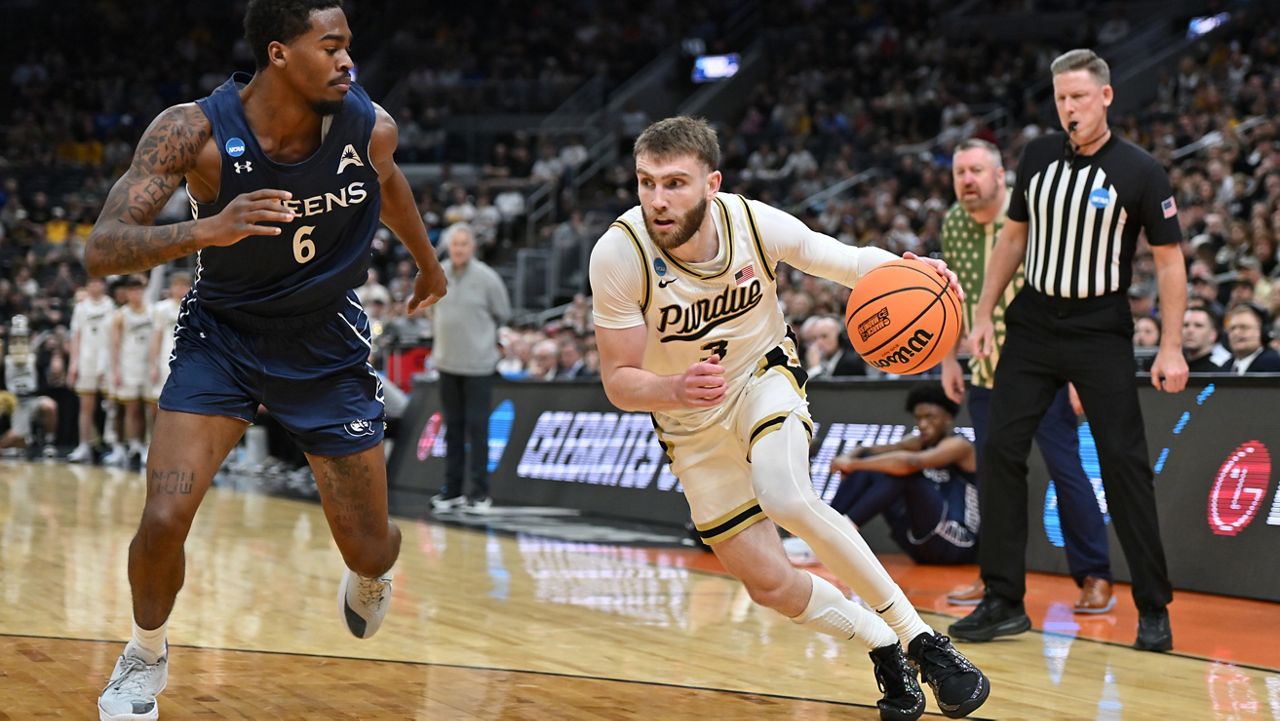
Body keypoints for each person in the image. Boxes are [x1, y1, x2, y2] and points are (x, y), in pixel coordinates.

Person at [85, 2, 448, 718]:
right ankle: (143, 656)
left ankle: (372, 574)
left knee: (371, 547)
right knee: (163, 516)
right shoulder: (192, 131)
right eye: (332, 47)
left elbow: (390, 181)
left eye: (350, 48)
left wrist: (427, 264)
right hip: (222, 337)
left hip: (325, 344)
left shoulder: (366, 126)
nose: (349, 62)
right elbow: (102, 247)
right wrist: (209, 228)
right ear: (279, 53)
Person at [591, 116, 989, 721]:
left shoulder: (754, 222)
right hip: (688, 423)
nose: (657, 200)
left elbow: (850, 262)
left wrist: (919, 271)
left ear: (712, 184)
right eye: (646, 183)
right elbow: (619, 381)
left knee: (785, 493)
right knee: (769, 584)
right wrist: (673, 386)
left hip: (760, 378)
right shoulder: (619, 254)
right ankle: (882, 647)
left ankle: (923, 641)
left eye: (675, 183)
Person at [952, 49, 1186, 653]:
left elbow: (1169, 261)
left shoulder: (1141, 171)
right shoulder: (1035, 156)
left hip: (1099, 327)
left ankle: (1154, 608)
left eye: (1079, 97)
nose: (1069, 108)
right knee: (999, 447)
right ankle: (1004, 600)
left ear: (1106, 97)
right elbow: (1013, 237)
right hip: (1031, 323)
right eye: (1061, 98)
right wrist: (982, 313)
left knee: (1123, 462)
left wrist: (1172, 347)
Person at [939, 138, 1114, 613]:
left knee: (1066, 469)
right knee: (994, 479)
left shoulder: (1033, 213)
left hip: (1046, 368)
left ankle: (1095, 575)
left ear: (1001, 175)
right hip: (987, 373)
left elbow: (1070, 287)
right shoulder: (954, 222)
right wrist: (949, 358)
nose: (968, 180)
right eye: (960, 172)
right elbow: (951, 296)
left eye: (977, 170)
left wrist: (1078, 369)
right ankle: (995, 579)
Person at [826, 384, 979, 565]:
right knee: (876, 464)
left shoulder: (959, 445)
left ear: (948, 418)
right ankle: (824, 527)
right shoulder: (916, 442)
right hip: (920, 543)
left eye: (930, 417)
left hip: (958, 543)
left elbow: (910, 463)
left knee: (905, 474)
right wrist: (849, 458)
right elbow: (867, 451)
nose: (922, 424)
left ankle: (840, 533)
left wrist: (852, 464)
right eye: (918, 418)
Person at [427, 222, 511, 513]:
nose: (459, 249)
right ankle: (451, 492)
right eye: (455, 244)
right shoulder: (437, 274)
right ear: (449, 246)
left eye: (464, 244)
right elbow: (430, 310)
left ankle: (479, 493)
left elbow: (503, 313)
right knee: (452, 430)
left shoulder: (488, 279)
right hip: (447, 364)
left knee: (477, 430)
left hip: (478, 367)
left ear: (473, 247)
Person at [66, 276, 115, 463]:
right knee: (85, 407)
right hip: (86, 361)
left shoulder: (110, 306)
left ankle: (113, 445)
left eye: (98, 282)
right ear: (87, 286)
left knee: (112, 408)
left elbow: (113, 338)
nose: (95, 285)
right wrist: (73, 364)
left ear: (104, 285)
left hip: (107, 362)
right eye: (92, 282)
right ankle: (84, 445)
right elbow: (75, 337)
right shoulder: (80, 308)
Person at [110, 275, 155, 469]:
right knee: (132, 408)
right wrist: (115, 370)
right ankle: (134, 444)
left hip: (149, 366)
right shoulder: (120, 315)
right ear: (127, 293)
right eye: (133, 290)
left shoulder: (154, 312)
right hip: (128, 365)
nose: (136, 294)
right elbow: (114, 345)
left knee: (152, 409)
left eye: (140, 290)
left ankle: (149, 445)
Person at [1224, 303, 1280, 374]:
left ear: (1261, 331)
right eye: (1232, 328)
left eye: (1243, 327)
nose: (1236, 333)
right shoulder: (1224, 367)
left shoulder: (1274, 365)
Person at [1181, 306, 1230, 372]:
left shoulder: (1223, 369)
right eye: (1185, 325)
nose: (1190, 330)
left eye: (1198, 325)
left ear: (1213, 334)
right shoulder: (1172, 366)